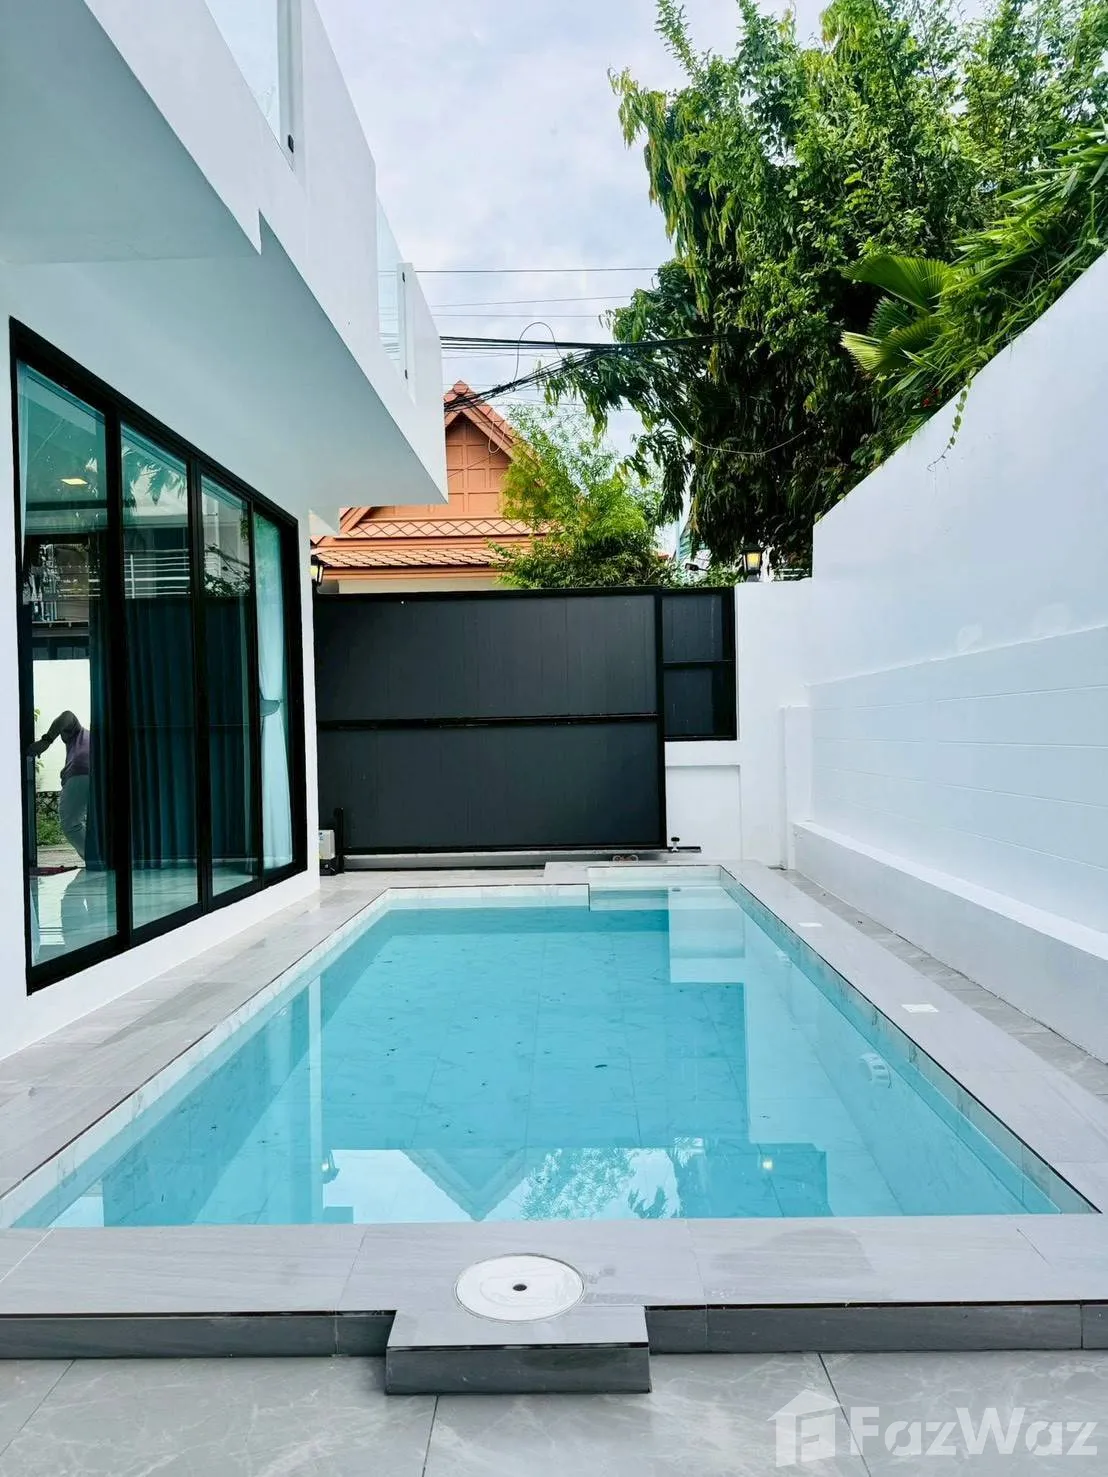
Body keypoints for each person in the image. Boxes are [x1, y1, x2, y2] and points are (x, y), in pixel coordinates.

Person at [29, 710, 90, 860]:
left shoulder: (79, 733)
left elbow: (67, 715)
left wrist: (46, 740)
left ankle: (96, 859)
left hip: (80, 771)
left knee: (71, 825)